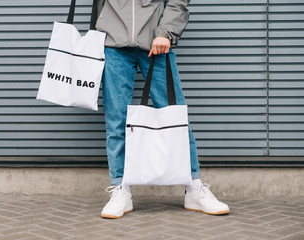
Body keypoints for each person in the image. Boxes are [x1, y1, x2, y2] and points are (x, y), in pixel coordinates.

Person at [95, 0, 230, 218]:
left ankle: (194, 186)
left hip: (156, 42)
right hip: (113, 45)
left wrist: (166, 32)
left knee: (174, 117)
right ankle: (121, 188)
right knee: (116, 120)